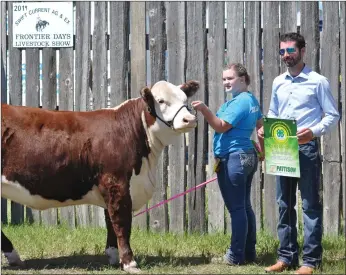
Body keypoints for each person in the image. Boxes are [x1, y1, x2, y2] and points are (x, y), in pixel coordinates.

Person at [257, 32, 340, 275]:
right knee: (284, 204)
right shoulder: (277, 82)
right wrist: (264, 128)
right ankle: (286, 257)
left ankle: (310, 261)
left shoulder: (318, 81)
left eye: (290, 51)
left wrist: (313, 132)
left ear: (303, 51)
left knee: (310, 205)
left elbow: (333, 115)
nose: (286, 56)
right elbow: (273, 110)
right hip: (281, 147)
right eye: (282, 51)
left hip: (306, 148)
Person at [192, 63, 264, 265]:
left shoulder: (240, 102)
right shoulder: (251, 100)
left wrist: (205, 110)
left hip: (234, 158)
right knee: (244, 206)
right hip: (247, 156)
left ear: (242, 79)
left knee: (237, 209)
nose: (226, 82)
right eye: (224, 79)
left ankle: (235, 255)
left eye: (230, 78)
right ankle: (248, 252)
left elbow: (221, 127)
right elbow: (261, 126)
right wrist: (262, 151)